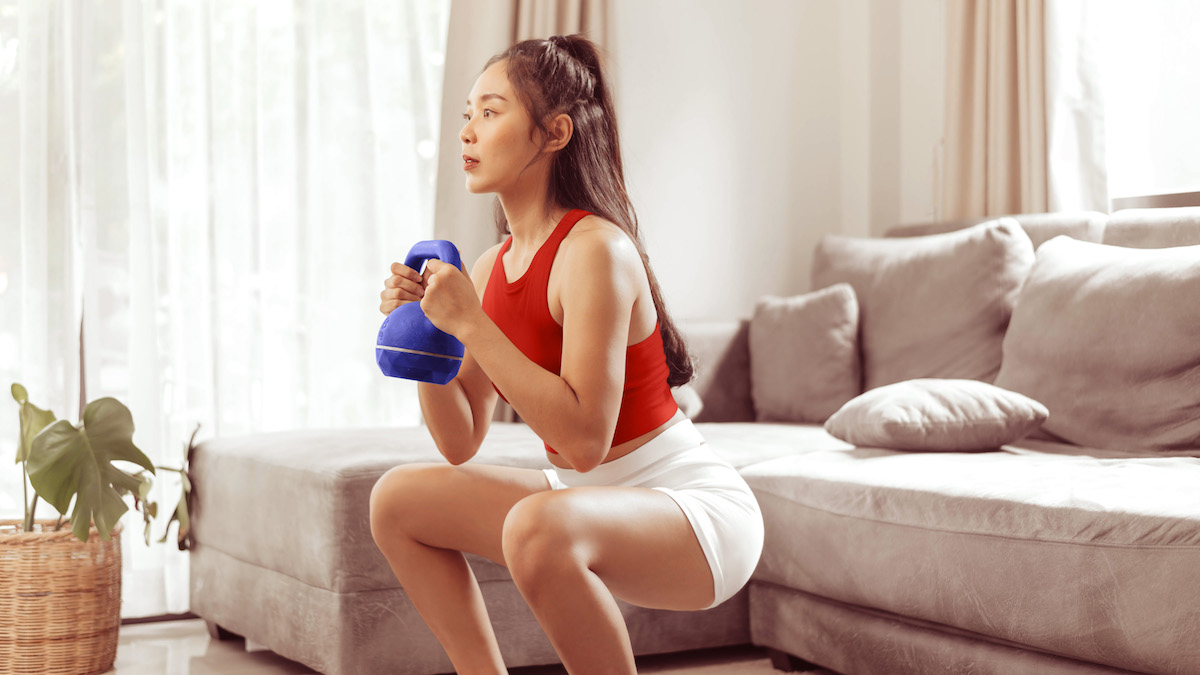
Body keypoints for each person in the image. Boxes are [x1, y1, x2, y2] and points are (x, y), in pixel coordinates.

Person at [370, 34, 763, 675]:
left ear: (553, 133)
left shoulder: (596, 251)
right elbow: (459, 440)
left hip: (692, 513)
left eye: (491, 113)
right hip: (585, 503)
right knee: (397, 500)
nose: (468, 131)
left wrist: (472, 323)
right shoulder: (492, 265)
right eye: (467, 113)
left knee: (535, 524)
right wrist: (430, 336)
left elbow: (584, 442)